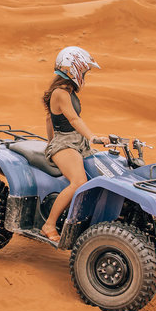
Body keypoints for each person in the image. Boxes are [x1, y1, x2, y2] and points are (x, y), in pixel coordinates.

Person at [40, 46, 105, 242]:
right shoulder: (60, 93)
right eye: (85, 71)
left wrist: (49, 142)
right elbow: (74, 120)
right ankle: (49, 224)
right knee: (79, 181)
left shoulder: (68, 92)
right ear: (74, 69)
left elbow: (49, 120)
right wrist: (93, 137)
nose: (85, 75)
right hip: (66, 143)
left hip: (77, 142)